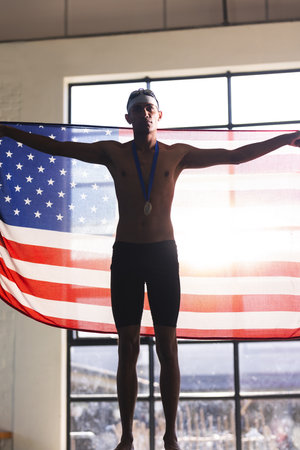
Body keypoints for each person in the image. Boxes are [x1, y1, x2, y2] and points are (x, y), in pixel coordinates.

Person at [0, 89, 299, 450]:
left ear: (159, 116)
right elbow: (57, 148)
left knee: (168, 347)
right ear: (128, 119)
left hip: (162, 256)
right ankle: (126, 436)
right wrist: (7, 131)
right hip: (126, 256)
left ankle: (171, 435)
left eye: (149, 108)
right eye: (137, 109)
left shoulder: (177, 155)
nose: (143, 113)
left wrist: (285, 139)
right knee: (127, 348)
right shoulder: (112, 152)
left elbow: (234, 156)